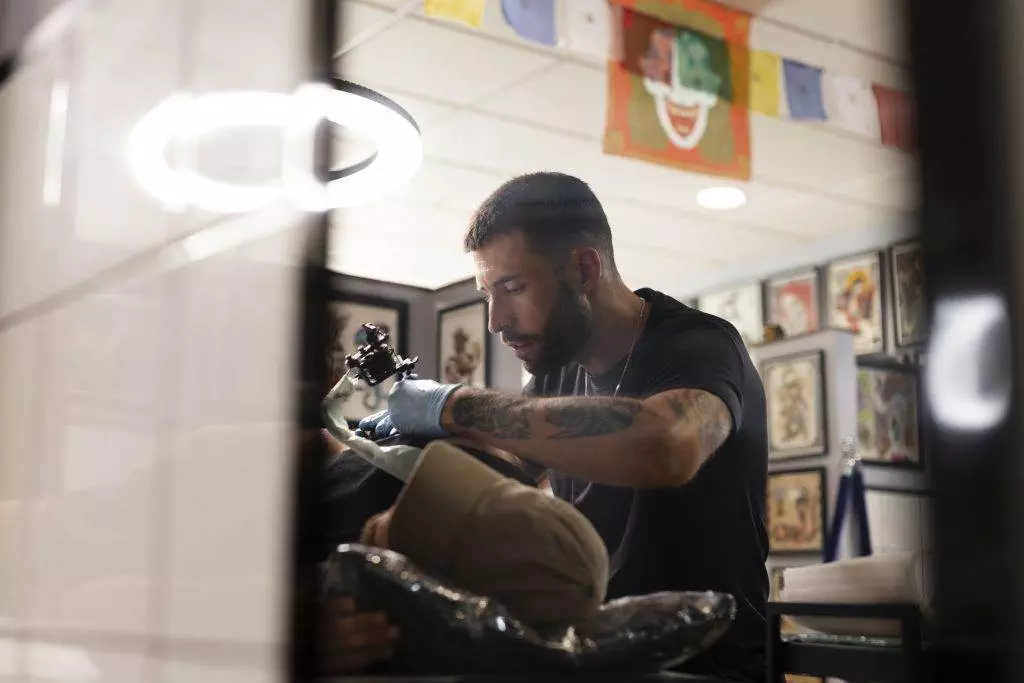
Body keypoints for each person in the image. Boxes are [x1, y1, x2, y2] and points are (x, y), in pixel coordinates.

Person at [357, 172, 769, 681]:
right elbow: (501, 469)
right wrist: (389, 446)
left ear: (584, 267)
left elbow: (666, 444)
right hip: (597, 660)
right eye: (488, 293)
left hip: (704, 666)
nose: (495, 320)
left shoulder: (698, 345)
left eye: (512, 288)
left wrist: (450, 404)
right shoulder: (556, 373)